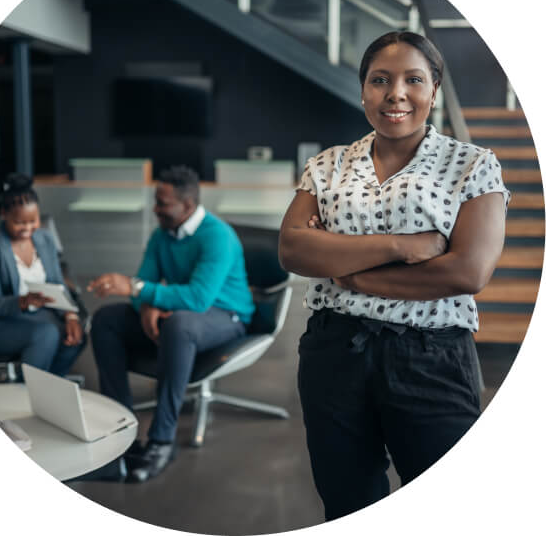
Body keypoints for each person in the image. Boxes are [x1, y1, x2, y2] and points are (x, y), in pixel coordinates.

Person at [279, 31, 509, 521]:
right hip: (333, 353)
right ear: (363, 90)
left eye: (413, 80)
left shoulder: (472, 165)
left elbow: (468, 270)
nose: (395, 93)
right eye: (380, 80)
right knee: (346, 503)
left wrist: (349, 271)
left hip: (432, 355)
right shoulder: (328, 165)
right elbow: (294, 248)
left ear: (434, 90)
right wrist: (404, 247)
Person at [88, 165, 255, 482]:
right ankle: (121, 431)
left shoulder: (217, 236)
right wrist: (147, 302)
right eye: (156, 200)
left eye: (162, 203)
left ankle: (162, 441)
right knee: (106, 318)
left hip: (226, 317)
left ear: (187, 206)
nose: (155, 209)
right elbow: (145, 284)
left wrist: (142, 293)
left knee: (179, 324)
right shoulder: (160, 236)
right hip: (178, 311)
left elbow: (198, 298)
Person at [0, 173, 86, 377]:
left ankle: (50, 386)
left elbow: (58, 282)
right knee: (47, 334)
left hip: (33, 316)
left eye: (33, 221)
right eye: (19, 222)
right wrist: (24, 302)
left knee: (76, 334)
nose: (28, 229)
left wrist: (70, 315)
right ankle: (25, 394)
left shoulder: (45, 239)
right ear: (3, 213)